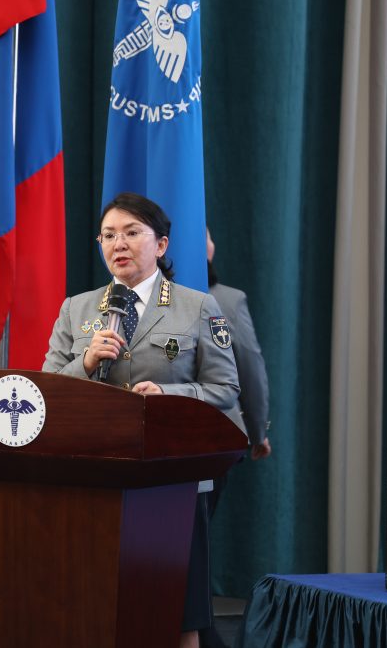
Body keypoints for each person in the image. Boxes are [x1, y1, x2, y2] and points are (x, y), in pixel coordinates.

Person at [43, 193, 240, 648]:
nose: (120, 244)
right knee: (98, 603)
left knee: (177, 611)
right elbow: (47, 391)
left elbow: (225, 389)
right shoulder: (77, 308)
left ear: (161, 244)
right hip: (96, 477)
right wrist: (85, 364)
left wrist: (168, 395)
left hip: (171, 479)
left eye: (132, 233)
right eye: (109, 235)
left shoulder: (197, 307)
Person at [200, 230, 272, 648]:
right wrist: (258, 432)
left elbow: (246, 368)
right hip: (208, 440)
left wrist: (256, 429)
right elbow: (251, 366)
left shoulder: (224, 300)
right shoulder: (224, 300)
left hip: (210, 443)